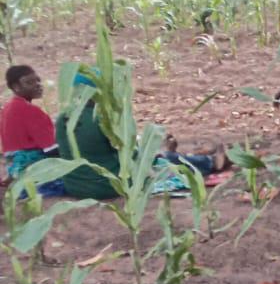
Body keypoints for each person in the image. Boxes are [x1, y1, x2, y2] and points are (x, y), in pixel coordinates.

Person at [56, 73, 229, 200]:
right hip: (105, 187)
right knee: (162, 160)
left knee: (158, 154)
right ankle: (210, 162)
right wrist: (153, 154)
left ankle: (200, 157)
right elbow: (131, 158)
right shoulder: (102, 121)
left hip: (75, 186)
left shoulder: (63, 118)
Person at [1, 64, 58, 187]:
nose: (38, 84)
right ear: (16, 87)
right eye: (29, 82)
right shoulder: (31, 110)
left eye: (38, 80)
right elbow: (51, 149)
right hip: (31, 168)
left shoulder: (8, 107)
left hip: (13, 167)